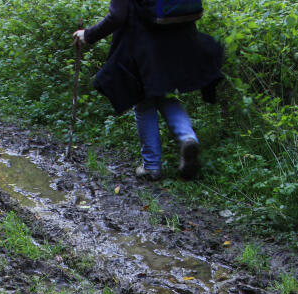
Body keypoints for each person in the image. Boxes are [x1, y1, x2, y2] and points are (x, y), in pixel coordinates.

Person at [73, 0, 223, 181]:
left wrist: (88, 35)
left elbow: (117, 16)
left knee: (143, 101)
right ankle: (187, 138)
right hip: (177, 37)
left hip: (143, 41)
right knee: (164, 93)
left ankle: (151, 166)